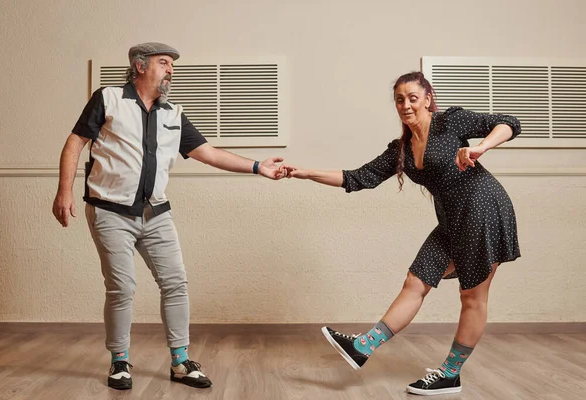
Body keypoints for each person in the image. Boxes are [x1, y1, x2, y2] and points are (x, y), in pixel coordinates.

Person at [52, 42, 285, 391]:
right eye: (164, 63)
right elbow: (74, 143)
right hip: (109, 211)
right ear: (140, 65)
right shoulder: (108, 98)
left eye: (172, 64)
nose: (171, 70)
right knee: (122, 287)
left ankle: (180, 361)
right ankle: (119, 361)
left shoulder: (173, 114)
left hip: (156, 213)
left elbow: (208, 153)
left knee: (175, 282)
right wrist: (64, 191)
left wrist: (257, 167)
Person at [282, 71, 521, 396]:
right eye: (399, 99)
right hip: (451, 219)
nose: (405, 104)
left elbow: (509, 123)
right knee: (416, 280)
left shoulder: (449, 123)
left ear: (426, 99)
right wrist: (305, 172)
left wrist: (481, 148)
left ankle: (450, 374)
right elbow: (358, 177)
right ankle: (362, 347)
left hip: (483, 208)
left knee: (472, 297)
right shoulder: (402, 149)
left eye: (412, 97)